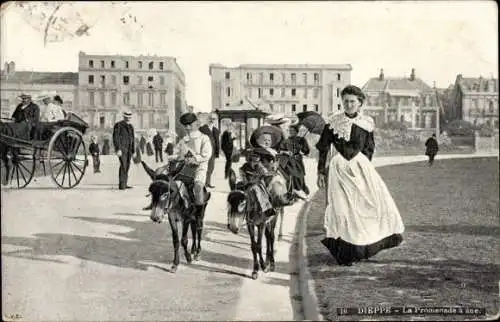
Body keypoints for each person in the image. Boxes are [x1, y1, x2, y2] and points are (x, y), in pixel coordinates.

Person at [316, 85, 405, 266]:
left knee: (365, 206)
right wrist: (320, 171)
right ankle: (344, 254)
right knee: (341, 209)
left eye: (352, 102)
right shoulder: (333, 122)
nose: (349, 105)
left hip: (360, 169)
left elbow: (369, 148)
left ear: (360, 103)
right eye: (346, 101)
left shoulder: (367, 123)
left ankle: (363, 248)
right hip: (338, 170)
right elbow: (323, 147)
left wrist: (364, 170)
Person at [150, 112, 212, 215]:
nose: (188, 128)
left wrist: (195, 159)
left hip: (199, 168)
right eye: (185, 125)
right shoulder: (183, 140)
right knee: (169, 184)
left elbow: (207, 154)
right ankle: (166, 207)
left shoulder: (204, 138)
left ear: (196, 123)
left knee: (198, 186)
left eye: (190, 125)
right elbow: (176, 154)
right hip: (184, 168)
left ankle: (199, 215)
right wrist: (168, 162)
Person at [281, 123, 310, 196]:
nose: (290, 132)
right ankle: (292, 191)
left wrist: (303, 150)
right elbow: (280, 150)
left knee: (300, 176)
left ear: (296, 132)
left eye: (292, 130)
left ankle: (301, 189)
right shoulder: (286, 141)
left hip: (298, 161)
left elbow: (307, 151)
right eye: (289, 130)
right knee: (291, 175)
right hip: (289, 162)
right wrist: (286, 152)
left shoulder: (301, 140)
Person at [112, 111, 135, 190]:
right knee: (123, 165)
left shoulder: (131, 126)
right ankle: (122, 185)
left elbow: (133, 139)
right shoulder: (118, 125)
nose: (128, 119)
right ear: (124, 117)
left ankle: (125, 183)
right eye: (127, 117)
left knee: (127, 165)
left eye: (129, 117)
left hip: (129, 149)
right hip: (122, 149)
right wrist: (118, 149)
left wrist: (133, 151)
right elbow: (115, 137)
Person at [199, 112, 220, 188]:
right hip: (204, 152)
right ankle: (203, 183)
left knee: (211, 168)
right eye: (210, 118)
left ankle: (208, 183)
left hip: (213, 152)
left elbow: (217, 142)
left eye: (214, 119)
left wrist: (217, 153)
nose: (212, 120)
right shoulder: (202, 129)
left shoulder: (216, 130)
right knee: (204, 168)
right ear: (207, 119)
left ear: (216, 120)